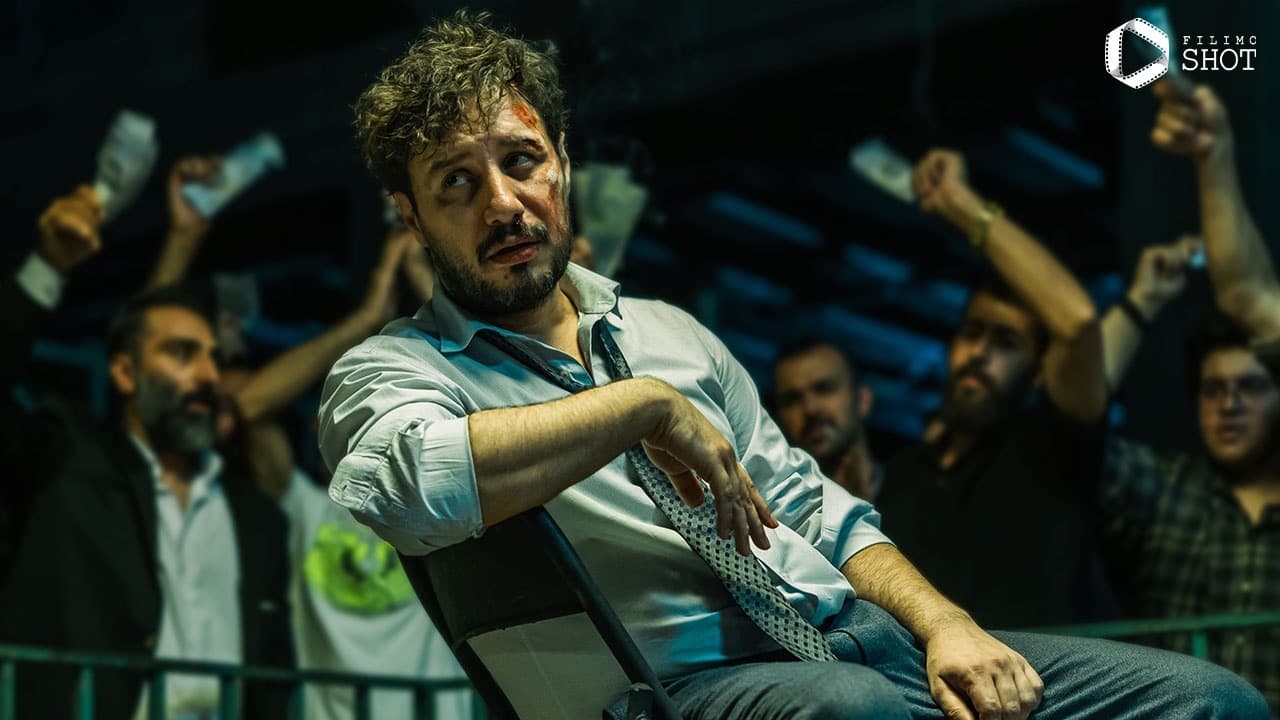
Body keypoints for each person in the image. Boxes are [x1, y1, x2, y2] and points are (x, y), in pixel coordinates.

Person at [318, 11, 1268, 719]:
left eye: (521, 160)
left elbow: (818, 511)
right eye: (456, 182)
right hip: (684, 694)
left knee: (1209, 701)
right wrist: (640, 408)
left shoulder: (670, 332)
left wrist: (945, 624)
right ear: (411, 218)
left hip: (864, 648)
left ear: (561, 162)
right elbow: (400, 488)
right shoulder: (392, 371)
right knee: (852, 710)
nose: (502, 203)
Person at [146, 174, 471, 720]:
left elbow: (482, 401)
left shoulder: (442, 503)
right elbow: (247, 408)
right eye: (342, 416)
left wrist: (422, 282)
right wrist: (365, 319)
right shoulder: (306, 509)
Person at [0, 186, 293, 720]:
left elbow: (273, 676)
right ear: (123, 373)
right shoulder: (65, 463)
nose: (208, 375)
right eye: (183, 354)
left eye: (212, 357)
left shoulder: (257, 519)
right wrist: (47, 267)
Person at [1088, 78, 1280, 713]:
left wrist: (1214, 154)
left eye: (1250, 387)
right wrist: (1141, 302)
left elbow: (1253, 300)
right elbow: (1072, 420)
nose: (1230, 403)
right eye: (1213, 389)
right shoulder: (1167, 492)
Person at [875, 149, 1117, 627]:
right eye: (972, 332)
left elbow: (1078, 323)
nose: (980, 353)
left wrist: (960, 204)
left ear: (1040, 370)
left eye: (1006, 342)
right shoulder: (905, 471)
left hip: (1035, 673)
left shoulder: (1052, 448)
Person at [772, 340, 882, 500]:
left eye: (824, 389)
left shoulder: (917, 489)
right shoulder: (774, 508)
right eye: (792, 399)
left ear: (863, 400)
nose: (810, 409)